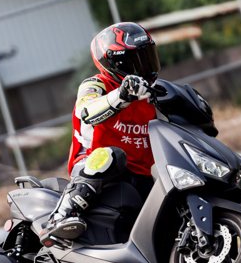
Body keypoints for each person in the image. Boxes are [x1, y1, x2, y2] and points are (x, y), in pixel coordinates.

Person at [41, 22, 160, 245]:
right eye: (135, 61)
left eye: (147, 57)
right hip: (94, 163)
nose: (143, 68)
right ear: (114, 63)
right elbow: (86, 110)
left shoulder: (152, 92)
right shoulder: (96, 84)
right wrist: (122, 96)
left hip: (139, 171)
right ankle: (61, 216)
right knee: (112, 155)